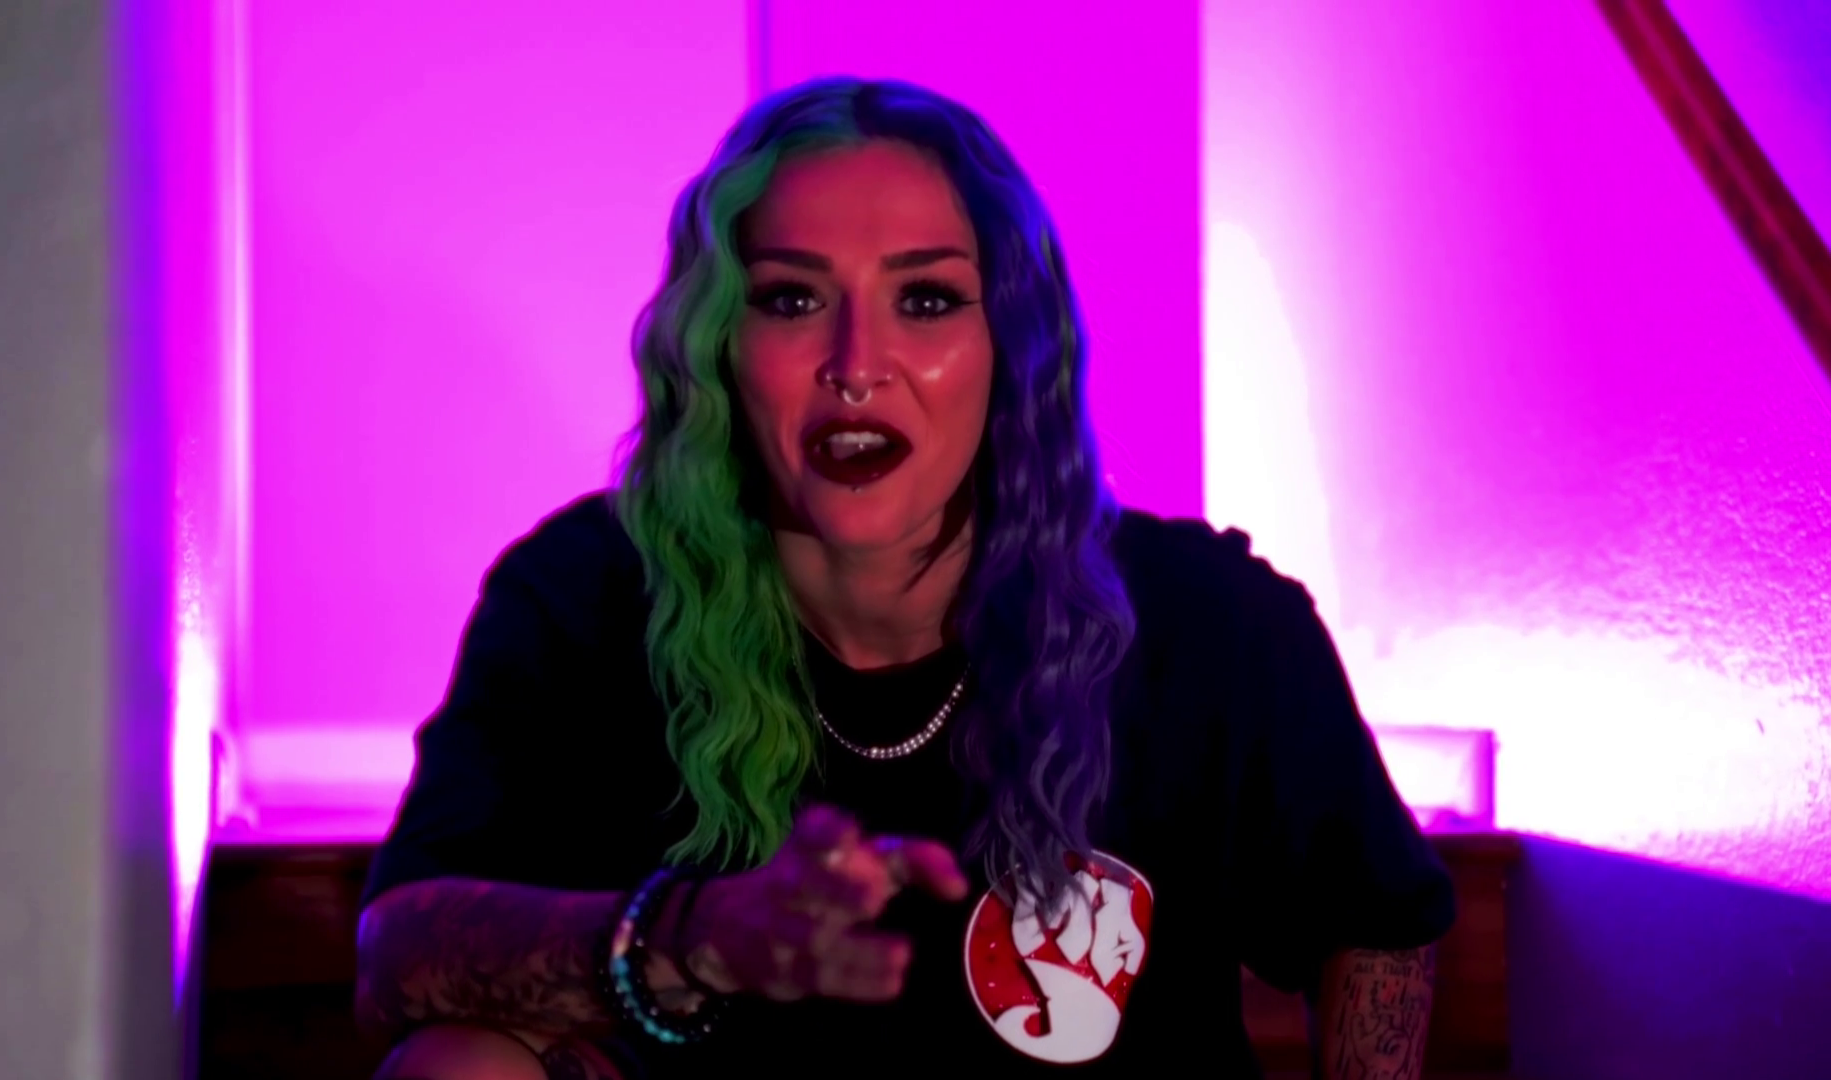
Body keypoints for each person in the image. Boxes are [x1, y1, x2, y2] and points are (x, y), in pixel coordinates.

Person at [353, 76, 1455, 1080]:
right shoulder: (585, 600)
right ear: (718, 343)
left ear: (1011, 345)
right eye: (791, 300)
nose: (856, 365)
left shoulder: (1209, 622)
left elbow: (1379, 924)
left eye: (924, 300)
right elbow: (397, 962)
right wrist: (694, 937)